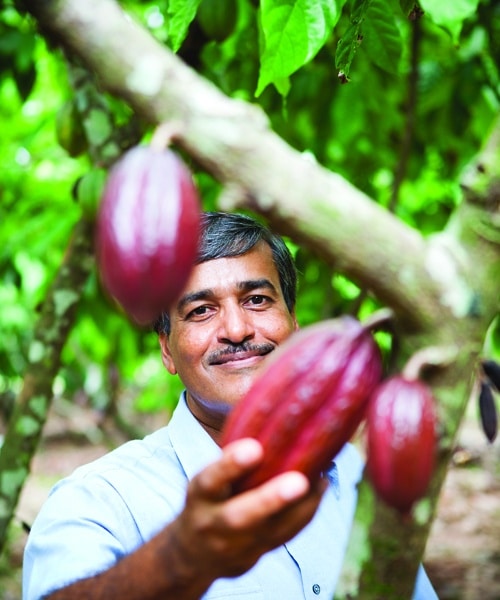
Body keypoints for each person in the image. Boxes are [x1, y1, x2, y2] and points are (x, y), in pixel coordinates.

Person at [23, 211, 438, 599]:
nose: (237, 330)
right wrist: (183, 557)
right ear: (167, 349)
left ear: (293, 323)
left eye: (257, 300)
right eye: (201, 310)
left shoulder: (357, 476)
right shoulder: (100, 500)